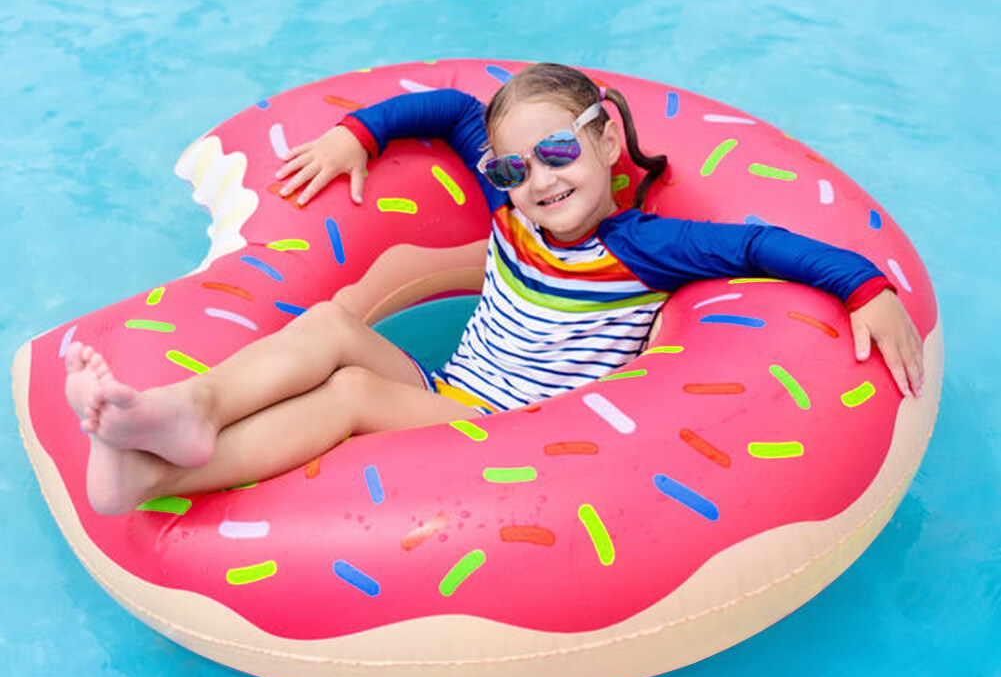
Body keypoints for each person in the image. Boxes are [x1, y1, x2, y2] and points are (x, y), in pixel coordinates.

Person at [65, 63, 924, 515]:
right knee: (328, 322)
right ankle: (190, 407)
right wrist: (359, 134)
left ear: (606, 141)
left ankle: (146, 479)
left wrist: (864, 288)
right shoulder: (511, 208)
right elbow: (447, 107)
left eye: (558, 154)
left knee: (352, 391)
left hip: (513, 433)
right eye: (513, 168)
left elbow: (759, 243)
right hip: (450, 392)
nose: (539, 181)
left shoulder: (648, 248)